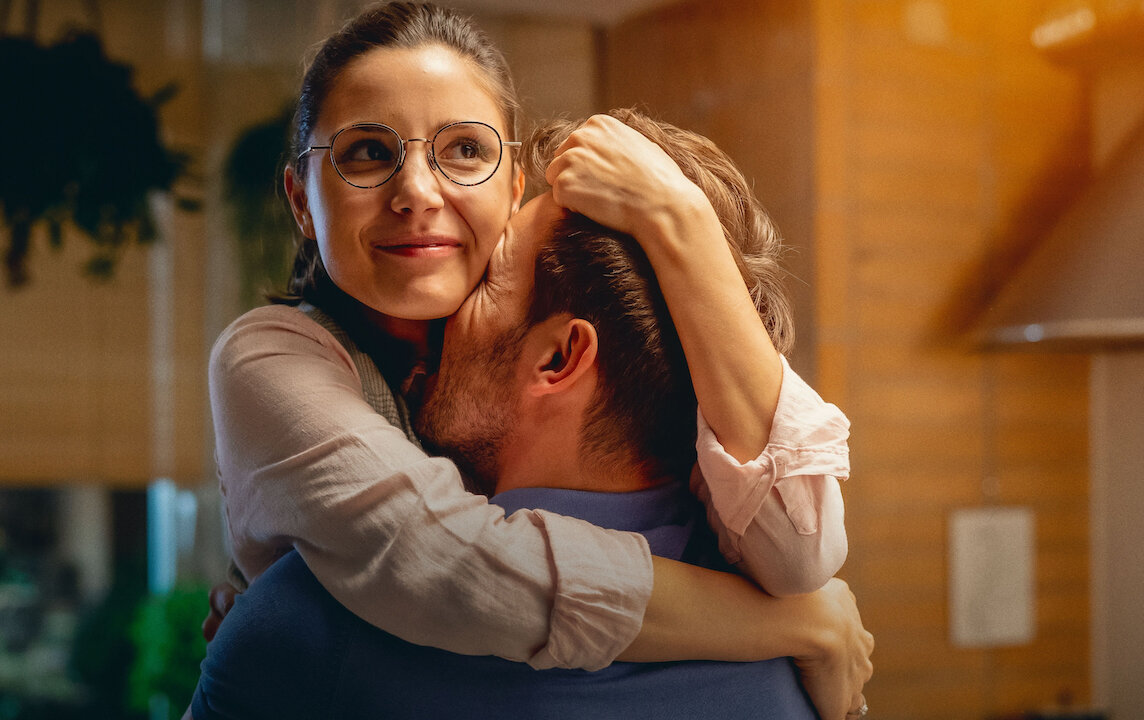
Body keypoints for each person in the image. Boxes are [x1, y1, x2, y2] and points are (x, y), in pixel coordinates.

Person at [207, 2, 867, 717]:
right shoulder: (273, 357)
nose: (417, 193)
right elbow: (435, 557)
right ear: (301, 200)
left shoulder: (567, 323)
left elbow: (800, 548)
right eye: (367, 151)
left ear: (513, 184)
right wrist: (794, 623)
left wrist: (680, 220)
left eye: (464, 150)